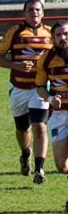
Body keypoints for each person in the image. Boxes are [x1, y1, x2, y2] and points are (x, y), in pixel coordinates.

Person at [0, 0, 53, 183]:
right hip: (18, 88)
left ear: (42, 13)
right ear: (24, 13)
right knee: (22, 129)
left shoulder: (52, 34)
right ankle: (25, 152)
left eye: (37, 10)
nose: (33, 13)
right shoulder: (15, 32)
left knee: (39, 126)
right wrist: (16, 65)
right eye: (29, 10)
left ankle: (40, 169)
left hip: (40, 88)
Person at [36, 22, 68, 175]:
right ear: (52, 37)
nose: (63, 38)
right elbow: (40, 88)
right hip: (58, 115)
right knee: (62, 166)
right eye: (58, 35)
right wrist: (50, 99)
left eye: (66, 34)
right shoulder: (46, 59)